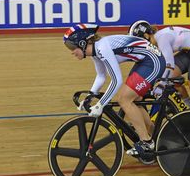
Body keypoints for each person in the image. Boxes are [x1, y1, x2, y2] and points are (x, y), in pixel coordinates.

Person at [63, 23, 166, 154]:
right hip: (144, 61)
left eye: (72, 47)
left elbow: (116, 80)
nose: (71, 51)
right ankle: (155, 135)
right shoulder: (96, 51)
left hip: (153, 61)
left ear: (83, 43)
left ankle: (146, 142)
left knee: (124, 99)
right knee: (133, 98)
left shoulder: (102, 48)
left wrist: (101, 104)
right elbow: (101, 76)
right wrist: (89, 97)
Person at [128, 20, 190, 124]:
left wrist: (161, 84)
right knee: (172, 79)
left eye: (140, 42)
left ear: (146, 36)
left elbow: (169, 64)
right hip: (188, 51)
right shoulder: (156, 41)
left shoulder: (162, 39)